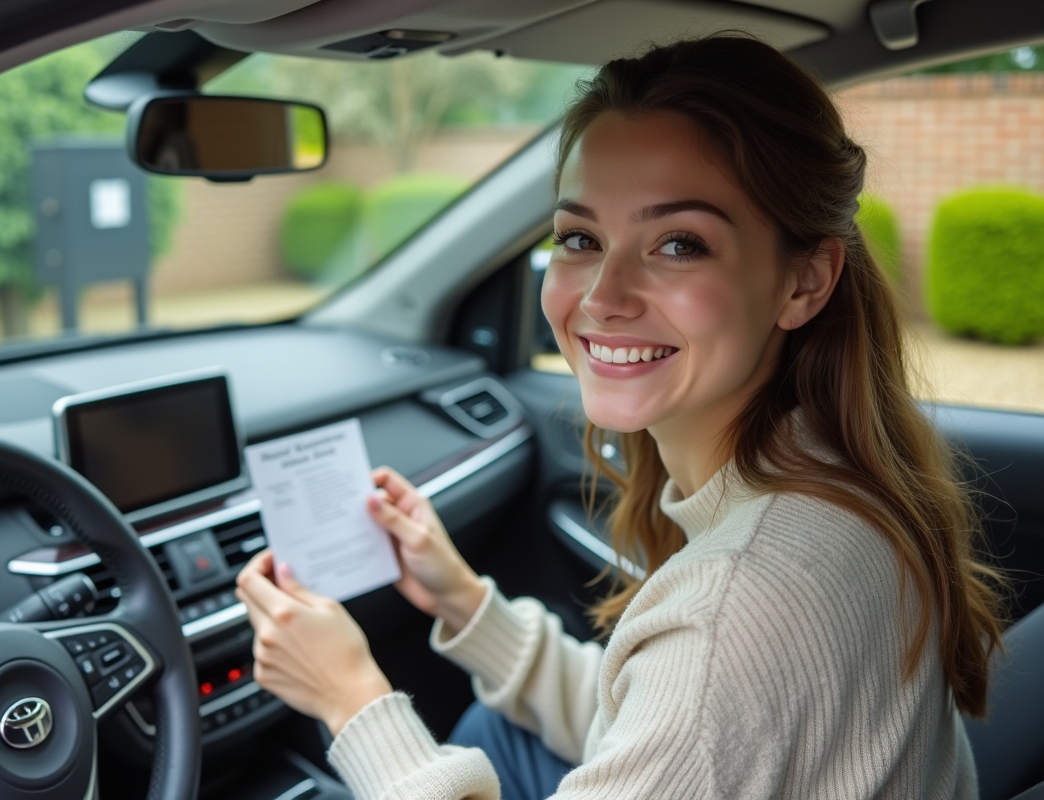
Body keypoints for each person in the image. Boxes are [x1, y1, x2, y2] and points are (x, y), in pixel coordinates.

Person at [235, 35, 1005, 799]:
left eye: (679, 244)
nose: (603, 297)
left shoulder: (727, 616)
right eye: (580, 239)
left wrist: (350, 698)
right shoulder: (837, 482)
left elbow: (699, 699)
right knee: (499, 731)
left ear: (805, 280)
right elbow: (659, 728)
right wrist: (461, 599)